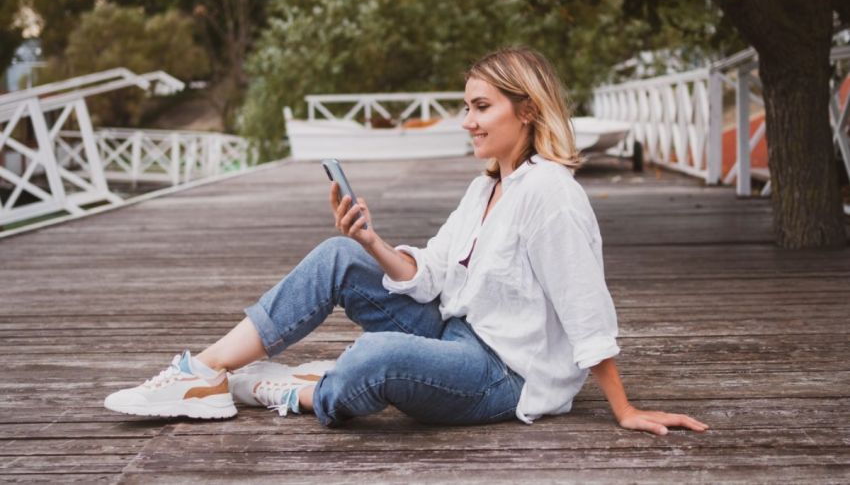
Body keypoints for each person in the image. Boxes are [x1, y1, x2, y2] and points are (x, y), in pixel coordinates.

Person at [105, 48, 708, 435]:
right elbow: (435, 270)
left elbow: (585, 307)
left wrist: (623, 409)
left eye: (481, 107)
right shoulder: (488, 188)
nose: (467, 120)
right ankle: (204, 373)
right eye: (465, 106)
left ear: (526, 111)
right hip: (453, 329)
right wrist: (370, 241)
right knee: (339, 255)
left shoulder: (551, 194)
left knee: (375, 357)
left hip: (503, 373)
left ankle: (300, 393)